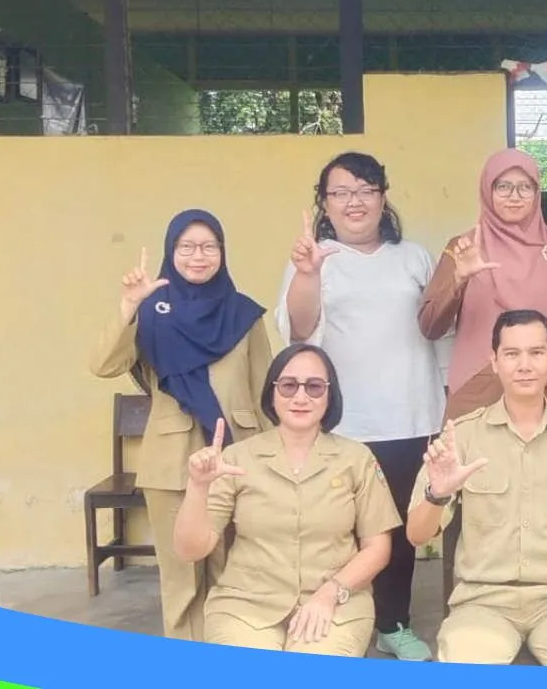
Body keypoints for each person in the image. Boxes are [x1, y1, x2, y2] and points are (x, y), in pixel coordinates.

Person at [274, 151, 447, 660]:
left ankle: (393, 622)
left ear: (383, 197)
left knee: (398, 531)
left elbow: (441, 334)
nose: (354, 201)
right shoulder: (313, 258)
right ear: (324, 203)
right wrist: (307, 273)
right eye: (341, 192)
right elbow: (300, 331)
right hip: (344, 423)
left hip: (410, 417)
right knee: (337, 529)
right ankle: (338, 615)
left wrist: (445, 409)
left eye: (365, 189)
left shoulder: (415, 257)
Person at [89, 208, 276, 642]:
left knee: (236, 571)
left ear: (223, 253)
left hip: (237, 457)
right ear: (171, 252)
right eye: (186, 247)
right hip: (172, 463)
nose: (198, 256)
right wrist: (128, 307)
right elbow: (103, 364)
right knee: (182, 580)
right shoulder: (151, 313)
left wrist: (272, 460)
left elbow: (267, 390)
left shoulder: (244, 314)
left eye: (209, 246)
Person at [405, 309, 547, 666]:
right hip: (482, 601)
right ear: (494, 361)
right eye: (511, 354)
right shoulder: (461, 436)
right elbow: (418, 535)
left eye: (536, 352)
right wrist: (438, 492)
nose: (524, 365)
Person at [172, 343, 402, 656]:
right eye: (289, 385)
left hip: (334, 606)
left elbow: (378, 548)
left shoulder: (356, 459)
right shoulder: (238, 458)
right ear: (272, 393)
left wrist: (330, 593)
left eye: (315, 387)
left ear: (330, 396)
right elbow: (190, 549)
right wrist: (197, 487)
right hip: (246, 607)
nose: (301, 397)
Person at [418, 148, 547, 422]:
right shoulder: (464, 248)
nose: (514, 196)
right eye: (504, 186)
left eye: (525, 187)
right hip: (481, 389)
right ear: (487, 191)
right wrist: (459, 280)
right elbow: (429, 326)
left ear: (537, 194)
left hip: (546, 391)